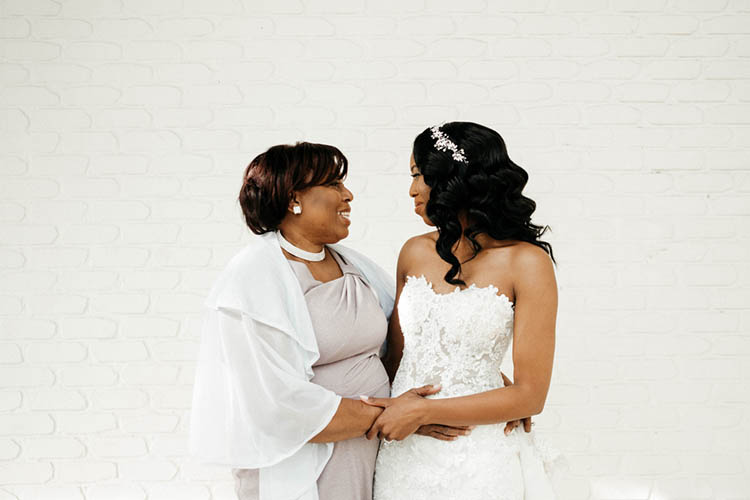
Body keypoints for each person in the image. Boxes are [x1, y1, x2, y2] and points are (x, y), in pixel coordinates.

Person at [189, 142, 487, 500]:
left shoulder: (352, 264)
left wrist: (479, 378)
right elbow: (273, 402)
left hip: (368, 455)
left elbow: (413, 337)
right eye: (333, 184)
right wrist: (399, 415)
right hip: (304, 463)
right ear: (292, 198)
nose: (348, 195)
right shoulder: (252, 278)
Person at [367, 122, 561, 500]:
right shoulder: (413, 252)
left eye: (418, 175)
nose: (412, 190)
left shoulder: (527, 263)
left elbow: (530, 396)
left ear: (451, 178)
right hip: (402, 455)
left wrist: (424, 412)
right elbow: (393, 360)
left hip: (478, 457)